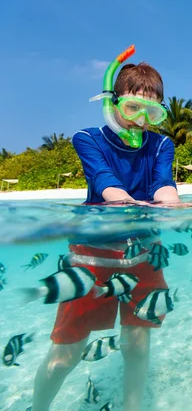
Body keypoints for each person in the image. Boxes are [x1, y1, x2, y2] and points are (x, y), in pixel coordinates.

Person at [31, 46, 183, 411]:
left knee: (136, 345)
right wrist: (135, 203)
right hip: (91, 260)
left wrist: (171, 201)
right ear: (113, 103)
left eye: (152, 112)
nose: (141, 121)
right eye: (133, 108)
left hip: (144, 256)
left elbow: (164, 183)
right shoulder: (87, 138)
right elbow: (106, 184)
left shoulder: (162, 143)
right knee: (64, 357)